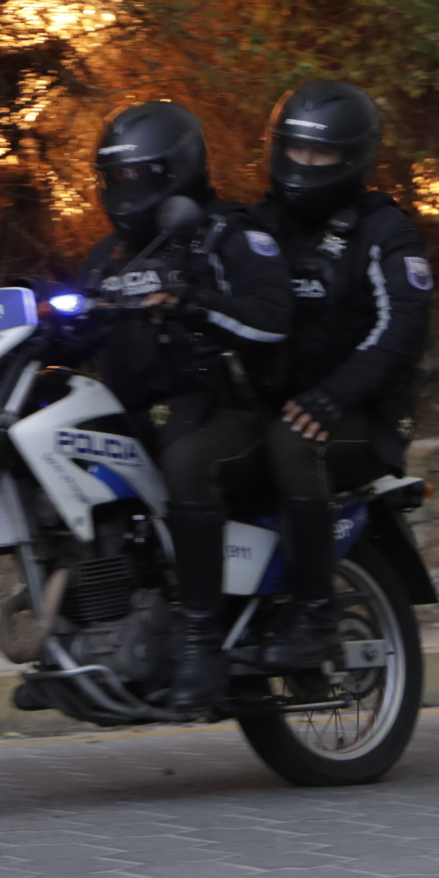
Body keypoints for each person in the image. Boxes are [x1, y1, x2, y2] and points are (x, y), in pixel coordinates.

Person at [73, 101, 293, 716]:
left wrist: (195, 301)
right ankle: (80, 636)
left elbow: (274, 319)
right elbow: (76, 320)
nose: (123, 189)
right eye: (114, 177)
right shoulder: (109, 254)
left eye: (137, 175)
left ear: (176, 170)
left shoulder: (229, 233)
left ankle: (202, 644)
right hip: (141, 416)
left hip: (231, 411)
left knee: (188, 463)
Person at [250, 80, 434, 674]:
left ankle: (314, 616)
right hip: (281, 399)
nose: (304, 165)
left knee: (291, 442)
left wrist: (334, 396)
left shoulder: (386, 231)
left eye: (320, 155)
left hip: (361, 415)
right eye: (295, 150)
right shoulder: (257, 225)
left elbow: (402, 328)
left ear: (352, 157)